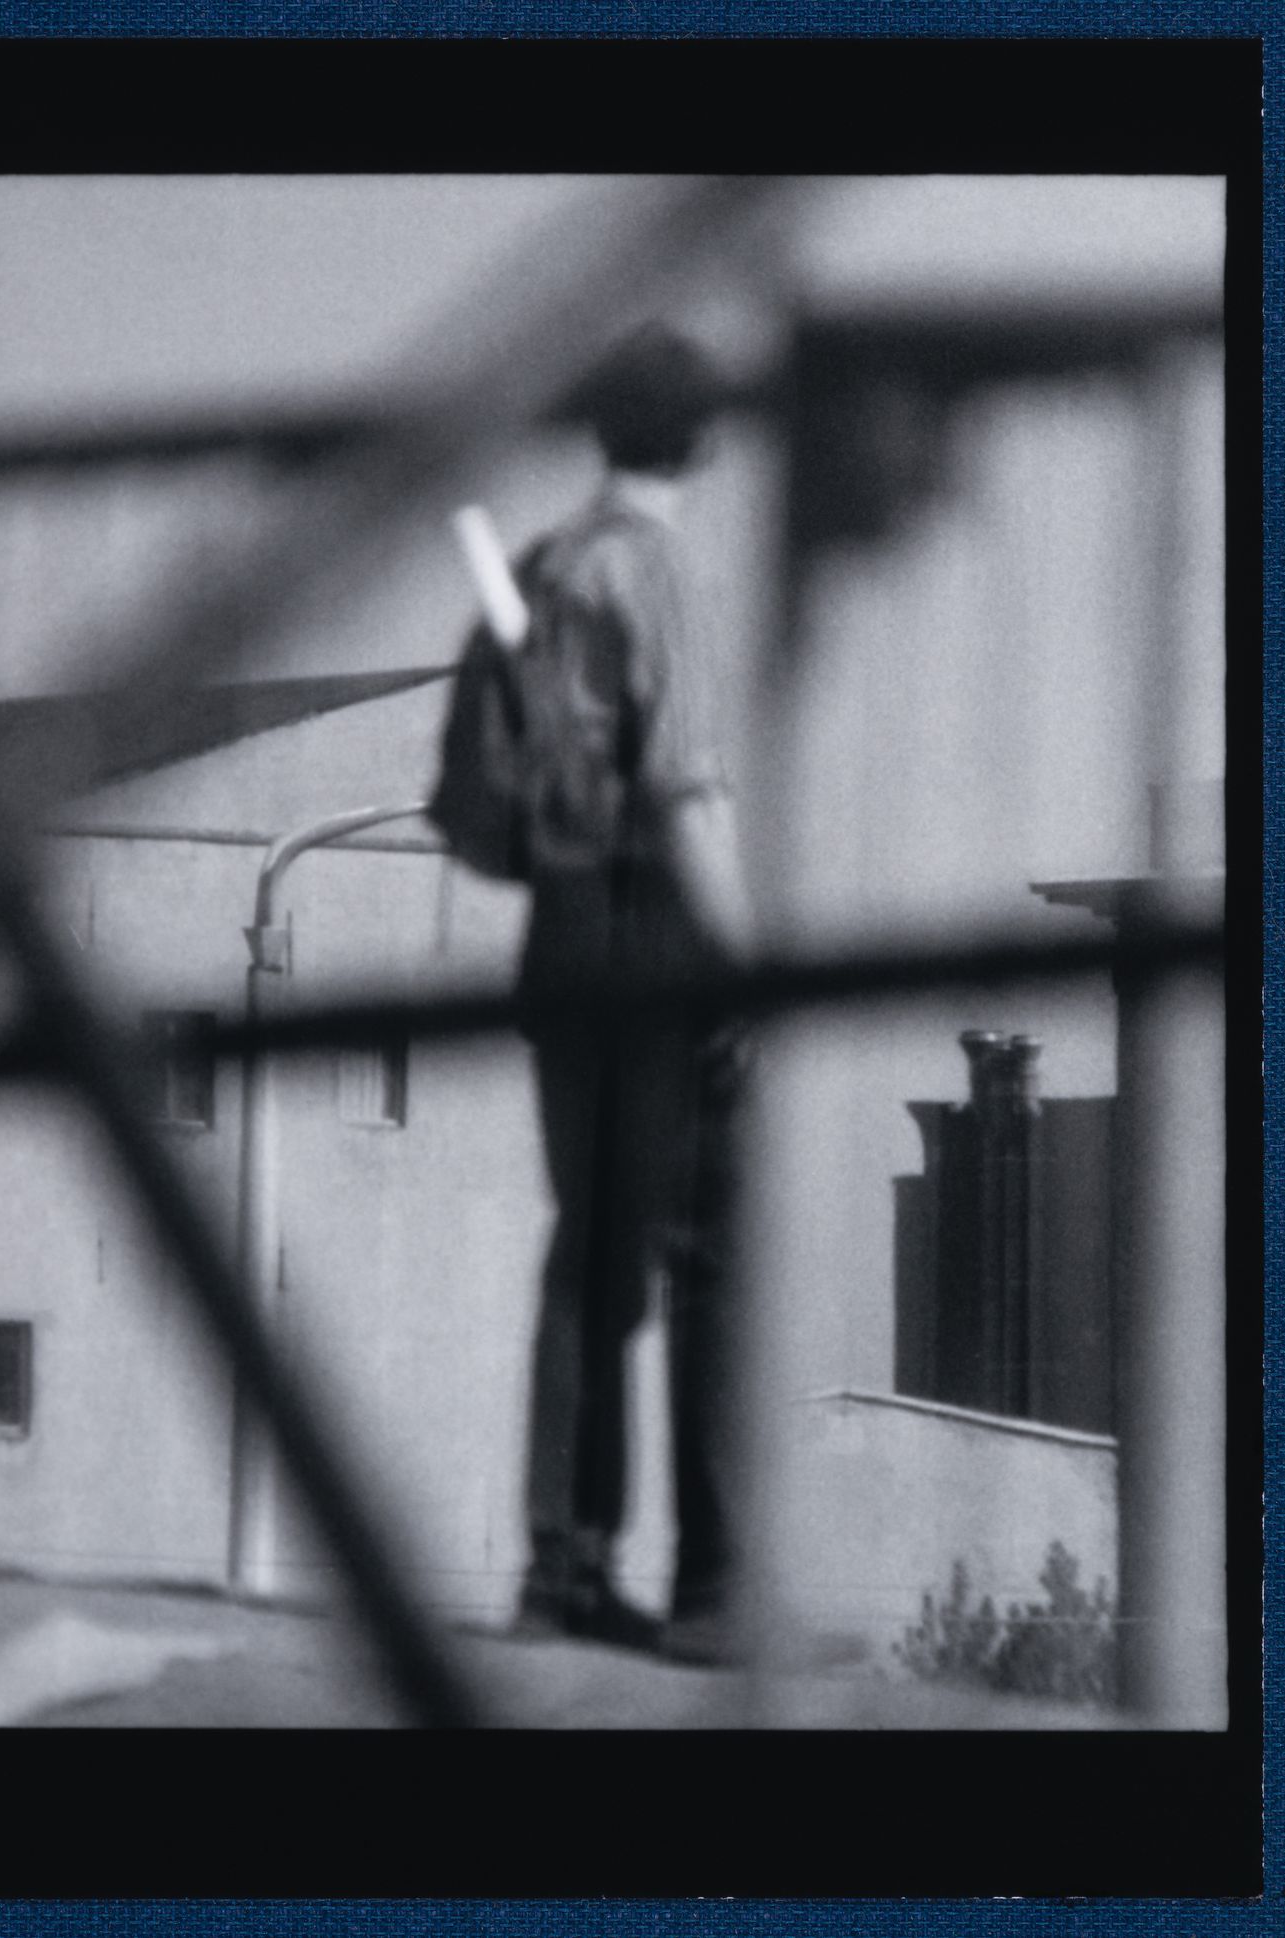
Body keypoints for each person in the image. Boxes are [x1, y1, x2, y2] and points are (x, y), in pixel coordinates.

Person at [509, 325, 753, 1664]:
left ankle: (566, 1564)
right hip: (654, 929)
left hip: (558, 930)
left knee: (590, 1245)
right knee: (711, 1239)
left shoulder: (546, 566)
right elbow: (689, 793)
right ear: (702, 437)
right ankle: (717, 1584)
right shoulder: (654, 568)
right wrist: (748, 966)